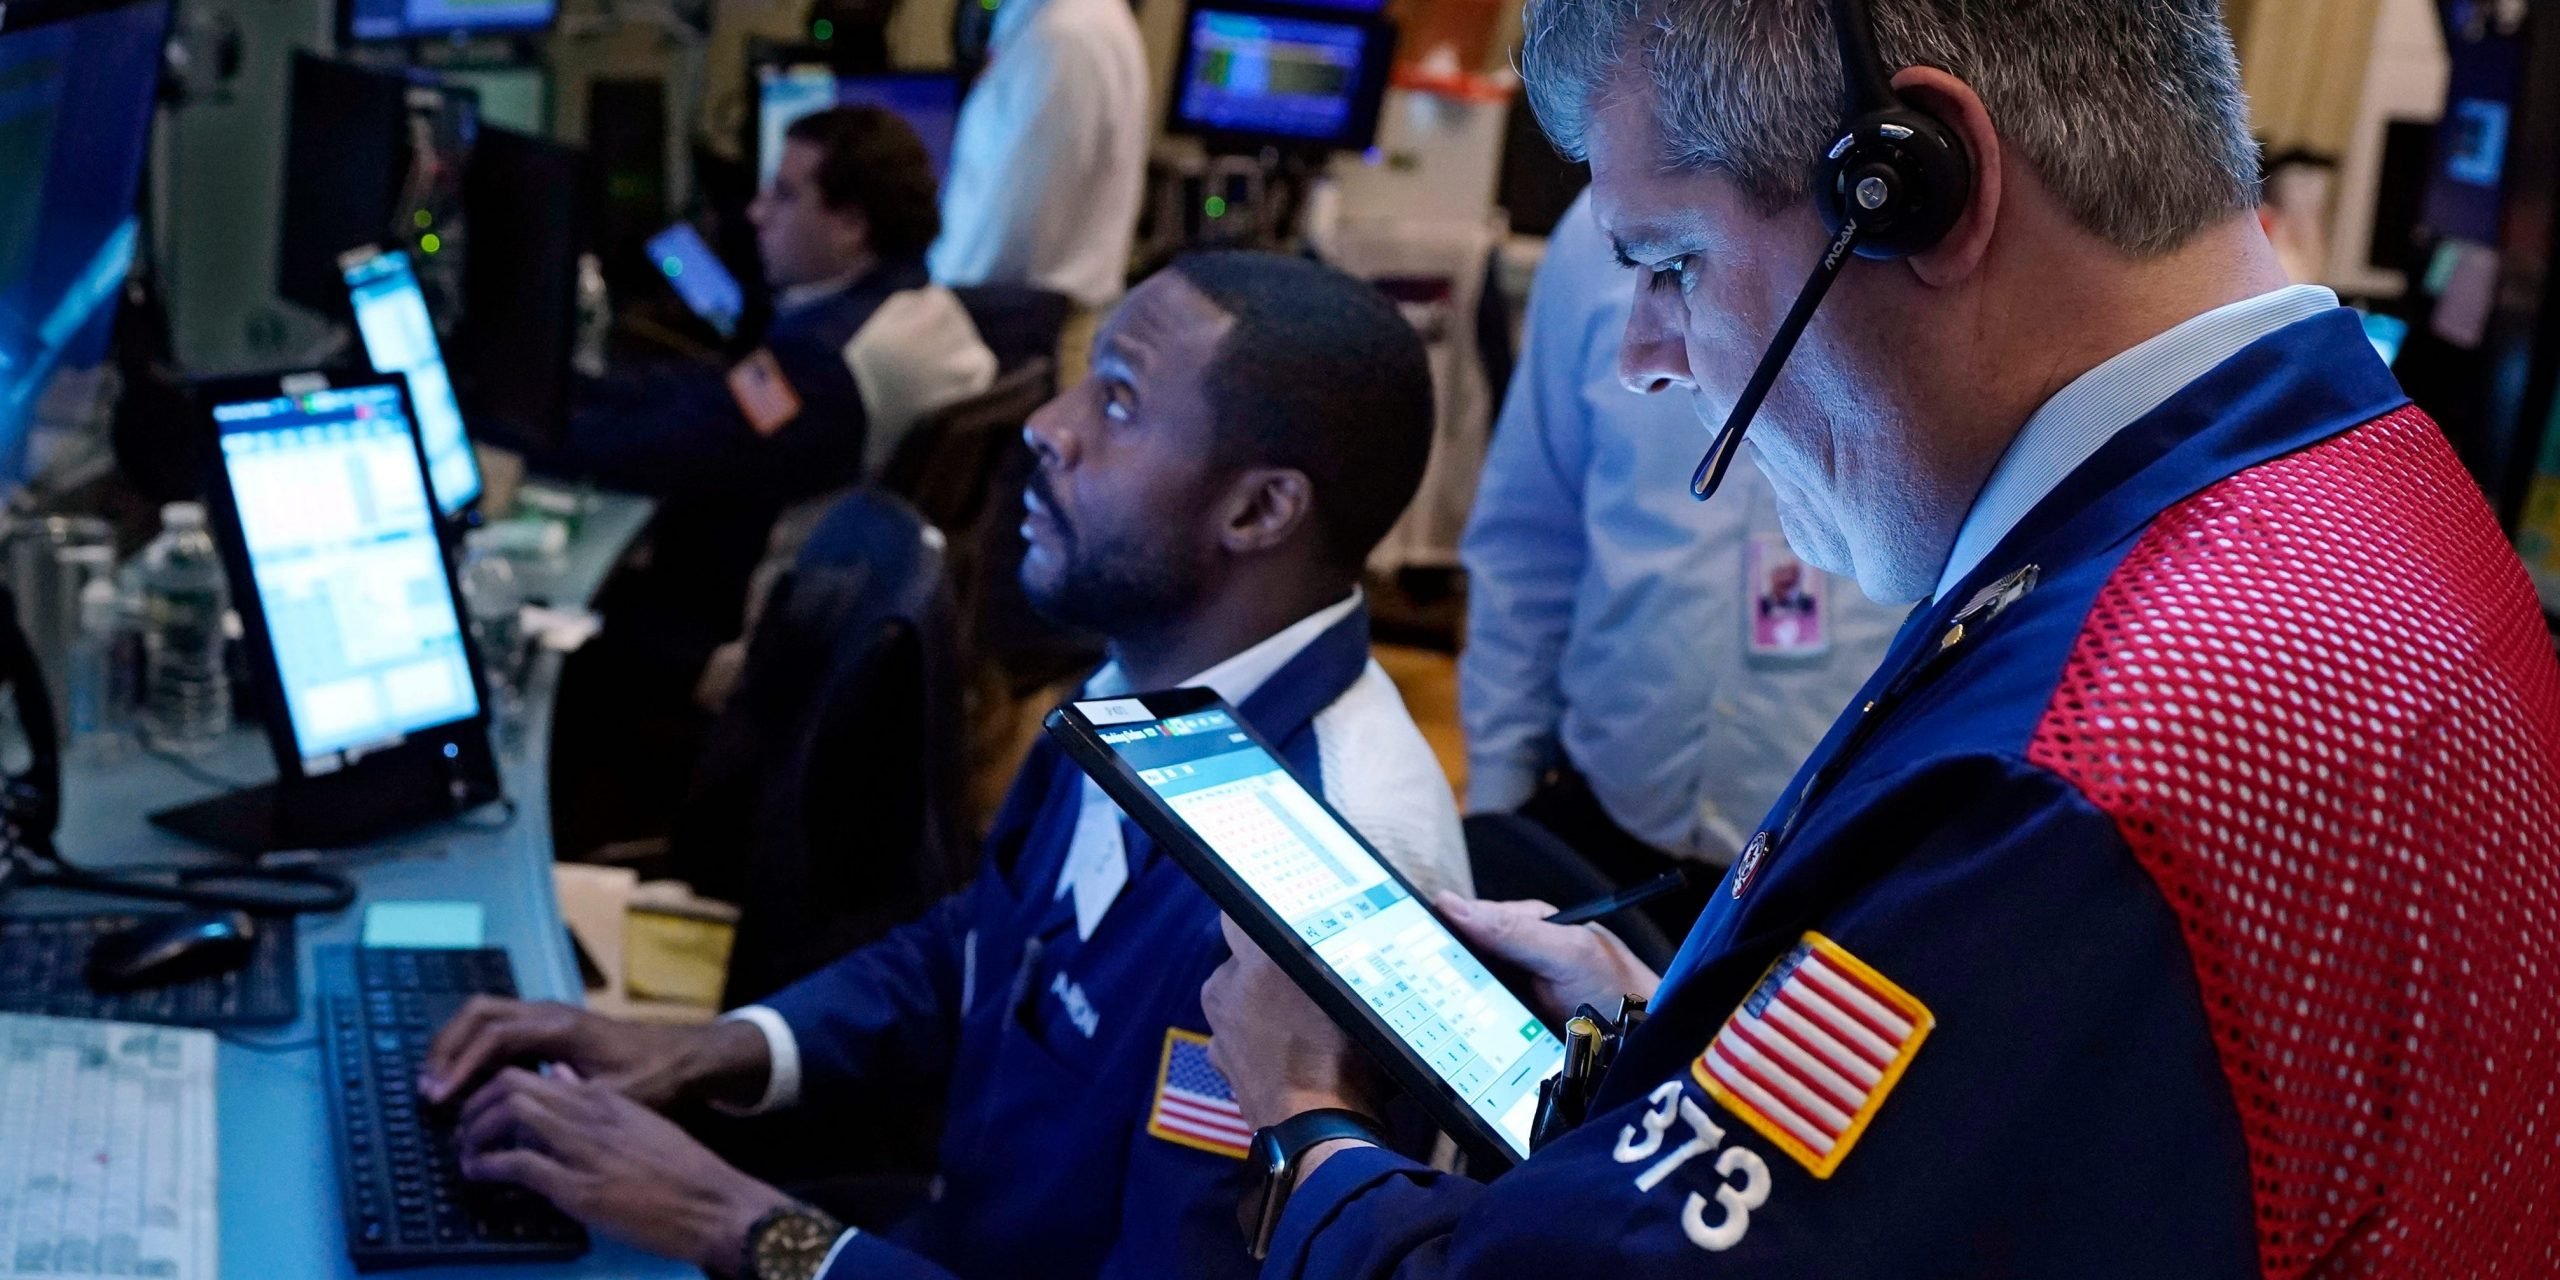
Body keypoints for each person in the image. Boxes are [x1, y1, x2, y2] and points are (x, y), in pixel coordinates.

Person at [1203, 1, 2560, 1276]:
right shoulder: (2377, 478)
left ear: (1917, 185)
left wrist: (1313, 1129)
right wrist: (1708, 1040)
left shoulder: (2075, 772)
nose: (1644, 356)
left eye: (1672, 263)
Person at [419, 252, 1473, 1280]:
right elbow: (980, 940)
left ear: (1257, 511)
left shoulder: (1339, 882)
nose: (1043, 426)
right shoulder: (1141, 681)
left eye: (1114, 400)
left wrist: (734, 1219)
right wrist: (709, 1047)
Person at [543, 105, 995, 861]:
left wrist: (515, 421)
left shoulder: (826, 365)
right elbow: (717, 397)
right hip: (835, 622)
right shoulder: (919, 308)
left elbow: (669, 448)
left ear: (850, 224)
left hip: (759, 640)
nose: (755, 214)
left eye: (783, 195)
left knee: (554, 627)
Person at [1460, 190, 1899, 933]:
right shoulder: (1604, 223)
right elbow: (1531, 533)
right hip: (1600, 815)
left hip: (1839, 866)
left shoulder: (1910, 237)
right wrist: (1498, 810)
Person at [925, 0, 1148, 382]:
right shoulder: (1062, 22)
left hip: (1015, 324)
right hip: (1030, 319)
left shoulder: (1064, 37)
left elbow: (1009, 231)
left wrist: (920, 306)